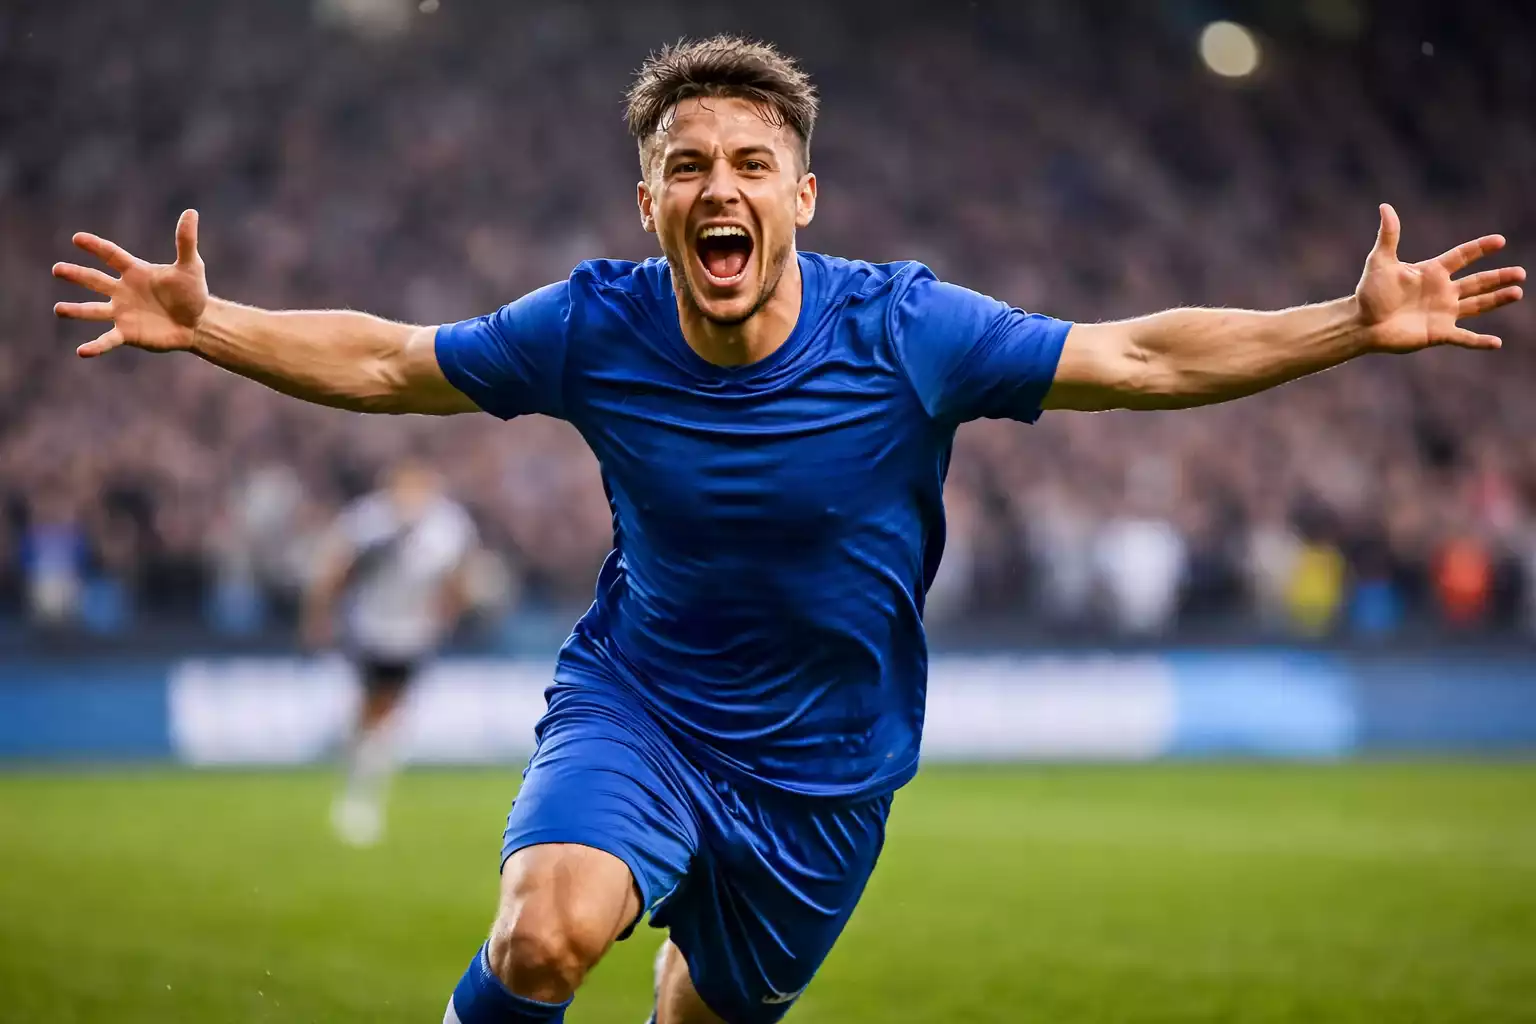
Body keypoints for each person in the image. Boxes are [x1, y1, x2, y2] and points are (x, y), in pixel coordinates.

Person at [51, 34, 1523, 1024]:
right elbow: (390, 362)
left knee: (697, 1013)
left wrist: (1349, 322)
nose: (720, 188)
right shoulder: (592, 324)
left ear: (801, 195)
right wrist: (213, 325)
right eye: (688, 165)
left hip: (830, 768)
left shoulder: (911, 331)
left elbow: (1137, 358)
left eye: (750, 163)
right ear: (651, 203)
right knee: (544, 930)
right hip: (641, 701)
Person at [303, 460, 478, 847]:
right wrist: (320, 615)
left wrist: (451, 611)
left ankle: (361, 790)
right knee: (372, 711)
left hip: (412, 635)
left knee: (386, 713)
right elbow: (335, 567)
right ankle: (359, 784)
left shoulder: (449, 526)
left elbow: (460, 573)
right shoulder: (368, 522)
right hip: (365, 627)